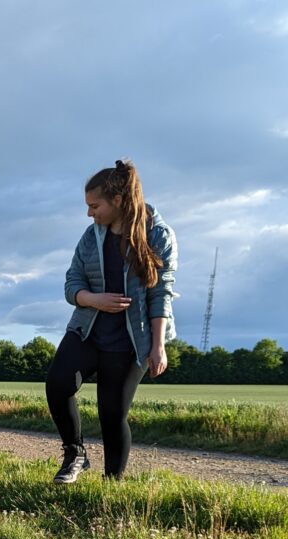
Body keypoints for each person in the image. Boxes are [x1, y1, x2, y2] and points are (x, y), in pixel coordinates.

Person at [46, 159, 177, 484]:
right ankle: (75, 453)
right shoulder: (91, 238)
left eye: (95, 205)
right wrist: (95, 300)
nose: (90, 213)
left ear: (117, 201)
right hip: (87, 330)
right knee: (58, 383)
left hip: (132, 341)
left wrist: (158, 347)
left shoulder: (158, 234)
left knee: (112, 414)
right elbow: (72, 282)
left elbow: (161, 294)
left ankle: (112, 484)